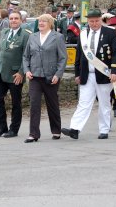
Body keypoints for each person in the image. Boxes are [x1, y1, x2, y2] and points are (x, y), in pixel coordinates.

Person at [61, 9, 116, 140]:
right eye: (91, 21)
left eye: (96, 21)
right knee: (83, 103)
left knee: (104, 103)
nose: (94, 24)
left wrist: (115, 71)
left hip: (104, 74)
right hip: (87, 74)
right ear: (87, 21)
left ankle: (104, 129)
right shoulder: (83, 34)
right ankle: (75, 129)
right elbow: (79, 55)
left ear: (101, 20)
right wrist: (77, 74)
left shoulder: (110, 32)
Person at [22, 14, 67, 143]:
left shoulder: (57, 37)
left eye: (44, 21)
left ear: (50, 23)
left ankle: (56, 130)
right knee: (34, 104)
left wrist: (58, 74)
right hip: (35, 76)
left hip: (50, 76)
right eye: (40, 21)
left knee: (52, 104)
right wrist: (27, 70)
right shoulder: (33, 36)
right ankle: (33, 134)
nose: (41, 23)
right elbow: (25, 57)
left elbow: (62, 58)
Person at [0, 11, 31, 138]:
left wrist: (21, 72)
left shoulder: (26, 35)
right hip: (1, 73)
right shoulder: (4, 33)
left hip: (15, 74)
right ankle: (1, 127)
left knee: (16, 103)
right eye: (11, 18)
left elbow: (27, 56)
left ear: (21, 20)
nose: (13, 20)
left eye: (16, 18)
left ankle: (14, 129)